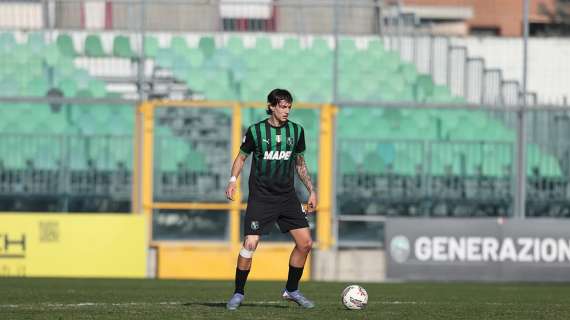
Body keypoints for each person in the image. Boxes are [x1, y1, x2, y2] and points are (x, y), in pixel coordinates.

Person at [225, 88, 317, 311]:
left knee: (305, 244)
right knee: (250, 243)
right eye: (282, 107)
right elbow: (241, 158)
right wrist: (232, 180)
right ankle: (238, 292)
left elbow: (300, 164)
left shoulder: (296, 131)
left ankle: (291, 290)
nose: (286, 111)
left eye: (289, 107)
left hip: (287, 198)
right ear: (272, 107)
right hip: (261, 198)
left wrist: (311, 190)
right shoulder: (256, 131)